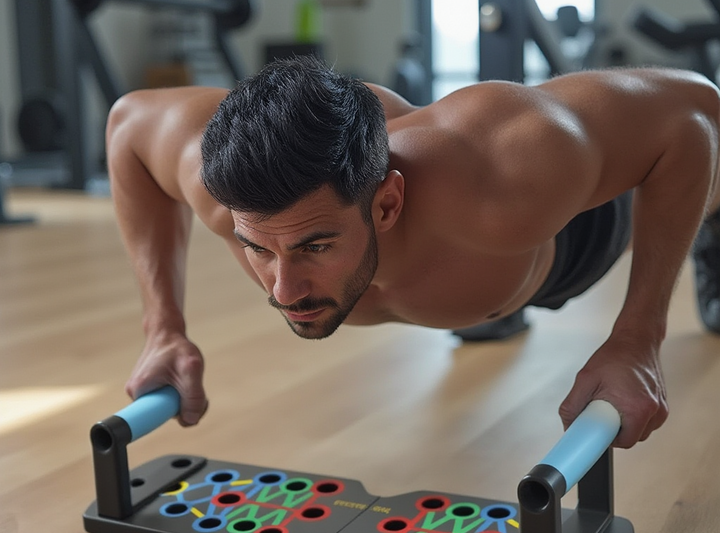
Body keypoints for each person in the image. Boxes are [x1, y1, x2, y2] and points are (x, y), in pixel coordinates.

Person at [106, 55, 720, 449]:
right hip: (463, 271)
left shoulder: (510, 167)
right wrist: (163, 327)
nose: (281, 291)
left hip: (562, 246)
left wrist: (638, 338)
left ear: (388, 204)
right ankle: (480, 313)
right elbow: (128, 125)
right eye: (257, 250)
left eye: (315, 245)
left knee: (704, 188)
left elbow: (694, 116)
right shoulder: (222, 184)